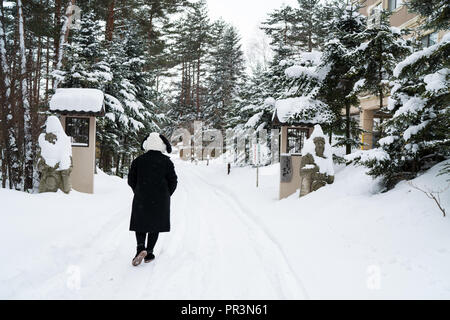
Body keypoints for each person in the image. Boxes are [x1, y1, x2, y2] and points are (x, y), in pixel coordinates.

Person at [128, 132, 178, 266]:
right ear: (162, 146)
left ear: (147, 145)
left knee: (140, 223)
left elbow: (131, 179)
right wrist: (166, 194)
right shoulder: (167, 162)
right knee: (155, 225)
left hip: (141, 197)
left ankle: (140, 248)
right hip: (160, 199)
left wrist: (138, 190)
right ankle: (149, 252)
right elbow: (173, 180)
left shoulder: (138, 160)